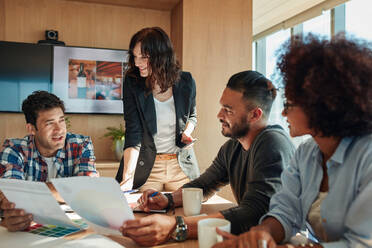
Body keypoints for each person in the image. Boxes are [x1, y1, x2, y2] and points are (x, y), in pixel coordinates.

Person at [213, 34, 372, 248]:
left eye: (290, 103)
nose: (284, 114)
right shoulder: (306, 154)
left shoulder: (367, 158)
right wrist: (262, 233)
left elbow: (362, 243)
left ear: (323, 106)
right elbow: (285, 212)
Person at [119, 70, 296, 246]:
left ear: (255, 115)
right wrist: (168, 200)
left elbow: (254, 213)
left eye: (228, 110)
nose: (219, 115)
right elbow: (203, 185)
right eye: (222, 107)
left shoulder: (272, 143)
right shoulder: (233, 147)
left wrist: (177, 226)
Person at [0, 90, 98, 232]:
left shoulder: (81, 144)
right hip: (28, 231)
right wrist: (70, 189)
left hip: (72, 229)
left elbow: (85, 191)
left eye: (61, 121)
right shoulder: (13, 149)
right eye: (50, 124)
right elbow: (12, 199)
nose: (59, 130)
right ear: (31, 129)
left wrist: (29, 195)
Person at [120, 27, 199, 191]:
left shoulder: (186, 81)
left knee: (190, 213)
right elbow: (133, 133)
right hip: (148, 166)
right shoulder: (132, 82)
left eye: (144, 57)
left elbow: (192, 116)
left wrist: (187, 132)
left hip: (181, 165)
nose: (137, 63)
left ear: (161, 56)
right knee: (146, 213)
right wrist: (128, 177)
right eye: (135, 56)